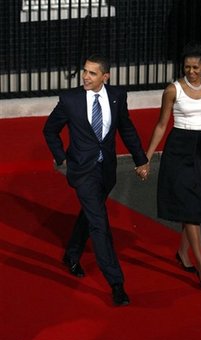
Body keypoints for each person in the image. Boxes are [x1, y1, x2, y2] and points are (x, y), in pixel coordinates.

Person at [43, 54, 149, 306]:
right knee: (100, 224)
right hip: (82, 171)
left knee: (91, 214)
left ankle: (71, 254)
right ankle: (116, 283)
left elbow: (126, 128)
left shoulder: (117, 96)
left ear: (105, 76)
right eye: (84, 71)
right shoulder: (70, 100)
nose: (85, 76)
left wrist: (140, 159)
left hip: (107, 170)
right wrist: (61, 158)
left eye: (92, 73)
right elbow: (49, 129)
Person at [137, 43, 201, 288]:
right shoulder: (173, 90)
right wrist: (146, 158)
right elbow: (161, 125)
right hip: (179, 150)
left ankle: (183, 253)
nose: (191, 71)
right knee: (191, 204)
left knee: (197, 203)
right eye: (187, 67)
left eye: (195, 67)